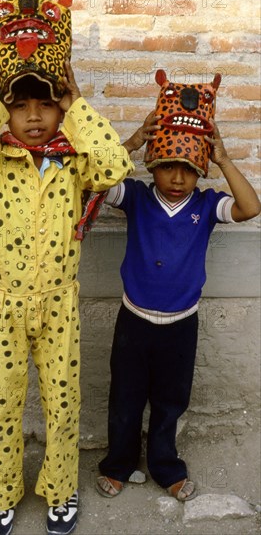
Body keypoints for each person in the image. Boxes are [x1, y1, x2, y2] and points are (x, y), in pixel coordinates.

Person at [0, 59, 133, 535]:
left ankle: (61, 489)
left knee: (63, 405)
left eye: (46, 103)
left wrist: (77, 104)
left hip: (60, 305)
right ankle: (1, 492)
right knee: (0, 404)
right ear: (7, 111)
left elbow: (116, 165)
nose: (35, 116)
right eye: (20, 106)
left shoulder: (74, 160)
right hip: (5, 306)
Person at [96, 112, 261, 501]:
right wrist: (134, 142)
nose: (176, 179)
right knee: (125, 397)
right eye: (167, 167)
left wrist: (223, 158)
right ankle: (119, 464)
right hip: (133, 321)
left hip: (181, 325)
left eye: (187, 169)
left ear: (200, 171)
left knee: (171, 401)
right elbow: (95, 179)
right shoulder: (136, 196)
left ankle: (165, 465)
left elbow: (251, 208)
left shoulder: (206, 206)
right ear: (152, 165)